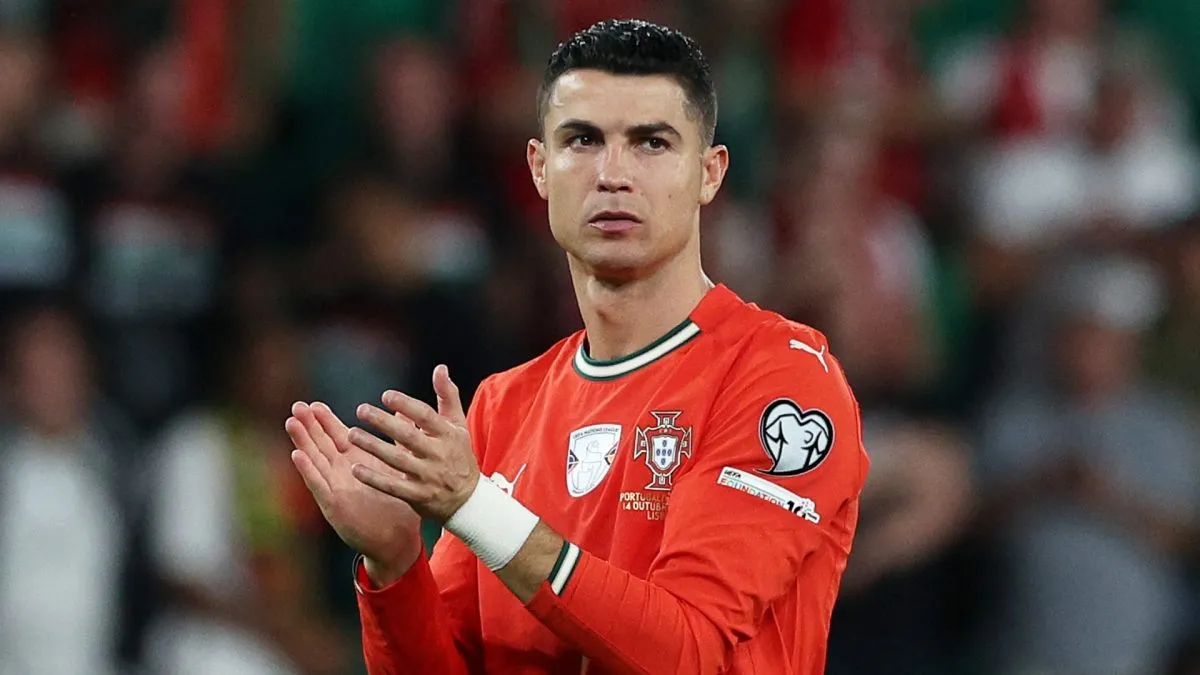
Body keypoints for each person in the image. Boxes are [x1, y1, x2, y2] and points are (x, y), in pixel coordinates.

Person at [285, 19, 869, 674]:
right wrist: (394, 564)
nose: (613, 174)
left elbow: (688, 649)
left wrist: (478, 508)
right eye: (583, 140)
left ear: (709, 173)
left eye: (651, 142)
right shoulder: (504, 407)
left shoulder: (779, 378)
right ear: (540, 168)